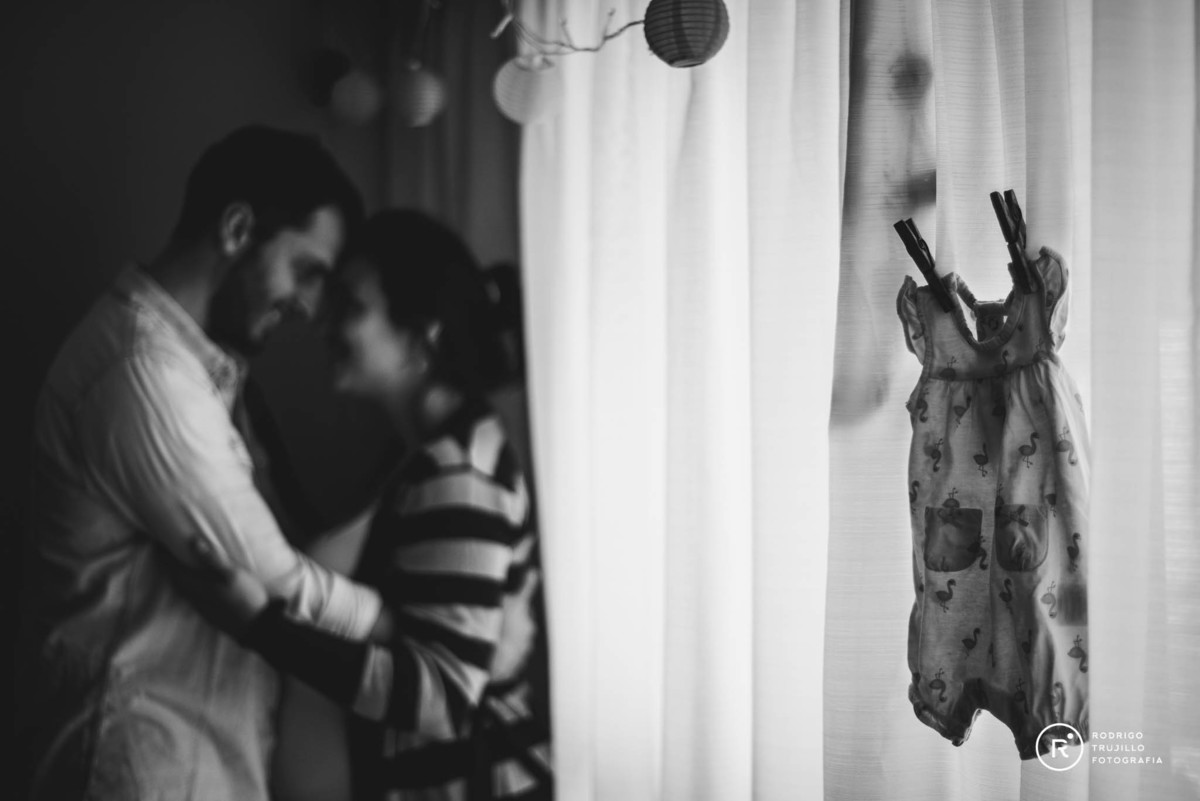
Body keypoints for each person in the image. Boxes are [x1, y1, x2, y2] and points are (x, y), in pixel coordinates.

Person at [18, 126, 392, 801]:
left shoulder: (204, 370)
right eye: (306, 271)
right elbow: (271, 581)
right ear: (237, 228)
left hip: (200, 755)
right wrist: (404, 624)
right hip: (144, 765)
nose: (308, 306)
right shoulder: (145, 376)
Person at [183, 209, 553, 800]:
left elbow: (443, 697)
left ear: (422, 336)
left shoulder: (459, 473)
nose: (326, 325)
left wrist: (260, 627)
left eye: (351, 308)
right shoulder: (433, 456)